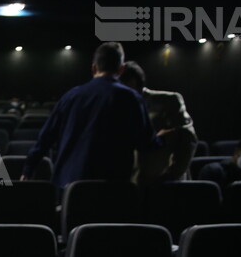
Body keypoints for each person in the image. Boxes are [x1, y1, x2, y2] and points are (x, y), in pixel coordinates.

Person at [24, 43, 159, 187]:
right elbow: (146, 144)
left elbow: (45, 139)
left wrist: (28, 170)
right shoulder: (131, 98)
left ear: (94, 68)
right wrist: (162, 138)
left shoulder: (70, 96)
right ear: (122, 69)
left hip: (69, 186)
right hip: (112, 188)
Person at [119, 61, 198, 186]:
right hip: (131, 185)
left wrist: (171, 175)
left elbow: (188, 139)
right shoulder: (117, 106)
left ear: (133, 81)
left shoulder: (168, 101)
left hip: (165, 185)